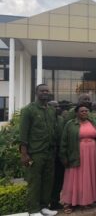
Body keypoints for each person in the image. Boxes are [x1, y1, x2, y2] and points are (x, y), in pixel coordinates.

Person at [19, 84, 58, 216]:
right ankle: (34, 210)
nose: (45, 92)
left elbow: (53, 130)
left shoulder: (51, 110)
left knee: (48, 181)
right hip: (35, 153)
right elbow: (23, 134)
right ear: (36, 93)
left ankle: (43, 207)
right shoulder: (28, 110)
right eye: (42, 91)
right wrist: (24, 154)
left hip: (49, 152)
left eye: (47, 90)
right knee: (34, 182)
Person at [60, 104, 96, 213]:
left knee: (88, 177)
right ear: (76, 113)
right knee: (74, 177)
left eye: (86, 111)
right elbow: (64, 141)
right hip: (76, 154)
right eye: (82, 111)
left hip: (91, 154)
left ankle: (85, 201)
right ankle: (68, 202)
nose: (85, 113)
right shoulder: (70, 124)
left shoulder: (92, 122)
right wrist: (64, 156)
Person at [48, 100, 65, 210]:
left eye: (58, 106)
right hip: (48, 152)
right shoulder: (47, 119)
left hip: (60, 152)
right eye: (54, 106)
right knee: (49, 179)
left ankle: (55, 201)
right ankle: (46, 203)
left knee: (59, 178)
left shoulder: (61, 119)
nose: (57, 108)